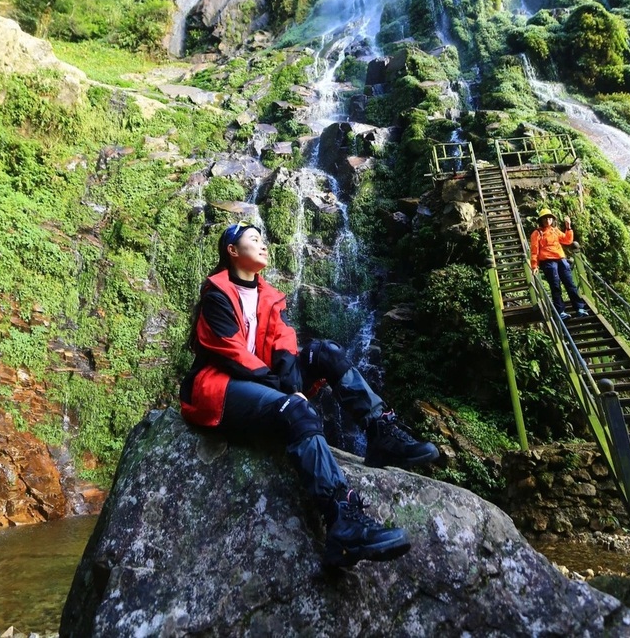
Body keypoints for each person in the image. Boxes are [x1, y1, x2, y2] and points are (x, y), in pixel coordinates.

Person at [180, 221, 440, 568]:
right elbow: (233, 354)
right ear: (231, 251)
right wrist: (287, 394)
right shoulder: (216, 293)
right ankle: (341, 519)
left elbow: (284, 344)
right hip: (220, 388)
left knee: (326, 352)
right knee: (296, 410)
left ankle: (379, 432)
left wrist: (290, 385)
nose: (263, 245)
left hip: (264, 382)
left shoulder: (268, 295)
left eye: (263, 239)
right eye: (254, 239)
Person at [530, 208, 588, 321]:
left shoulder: (555, 230)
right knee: (555, 286)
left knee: (570, 283)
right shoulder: (537, 233)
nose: (547, 220)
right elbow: (534, 251)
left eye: (549, 218)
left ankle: (579, 308)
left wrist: (568, 227)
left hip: (561, 260)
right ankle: (561, 311)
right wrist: (534, 265)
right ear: (541, 220)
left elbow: (567, 240)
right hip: (548, 261)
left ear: (552, 219)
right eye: (545, 218)